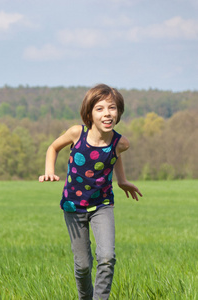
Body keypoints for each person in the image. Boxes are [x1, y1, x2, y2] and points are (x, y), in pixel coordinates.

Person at [38, 84, 142, 300]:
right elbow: (53, 147)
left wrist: (121, 181)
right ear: (89, 113)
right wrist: (49, 170)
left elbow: (115, 155)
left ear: (119, 112)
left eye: (112, 108)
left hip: (102, 205)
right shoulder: (77, 133)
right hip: (73, 207)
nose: (107, 113)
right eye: (100, 108)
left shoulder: (121, 142)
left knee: (106, 257)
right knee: (83, 265)